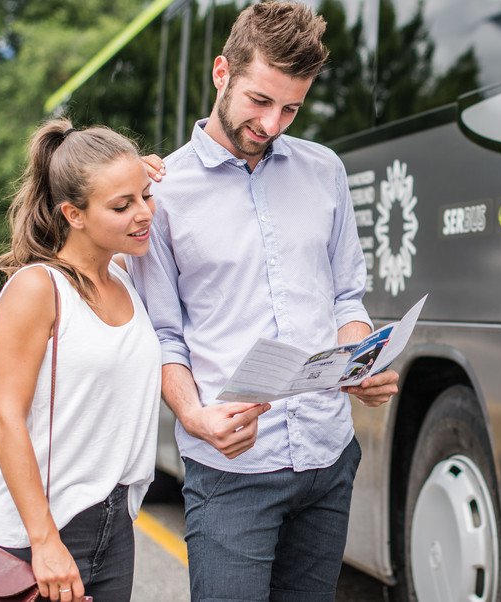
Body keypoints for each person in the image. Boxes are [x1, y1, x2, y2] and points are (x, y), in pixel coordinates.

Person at [129, 1, 399, 599]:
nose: (273, 123)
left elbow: (346, 300)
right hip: (231, 471)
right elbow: (163, 337)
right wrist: (194, 418)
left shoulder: (324, 170)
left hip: (328, 459)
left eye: (291, 108)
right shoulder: (163, 195)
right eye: (260, 100)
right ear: (222, 72)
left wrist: (363, 364)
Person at [0, 119, 205, 602]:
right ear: (72, 214)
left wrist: (132, 179)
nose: (143, 213)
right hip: (40, 532)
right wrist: (44, 542)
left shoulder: (125, 277)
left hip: (115, 523)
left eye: (146, 197)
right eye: (122, 206)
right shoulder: (37, 289)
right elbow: (4, 420)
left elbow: (123, 188)